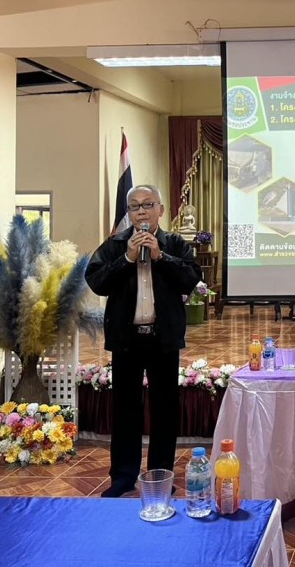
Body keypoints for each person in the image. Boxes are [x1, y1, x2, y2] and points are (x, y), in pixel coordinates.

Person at [85, 184, 202, 498]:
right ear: (130, 213)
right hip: (127, 341)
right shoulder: (115, 245)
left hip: (163, 340)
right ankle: (123, 477)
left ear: (160, 210)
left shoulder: (174, 244)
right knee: (126, 411)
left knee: (165, 411)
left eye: (148, 205)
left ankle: (161, 476)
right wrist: (127, 258)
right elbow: (96, 281)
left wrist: (161, 257)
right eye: (135, 206)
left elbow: (191, 279)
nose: (142, 212)